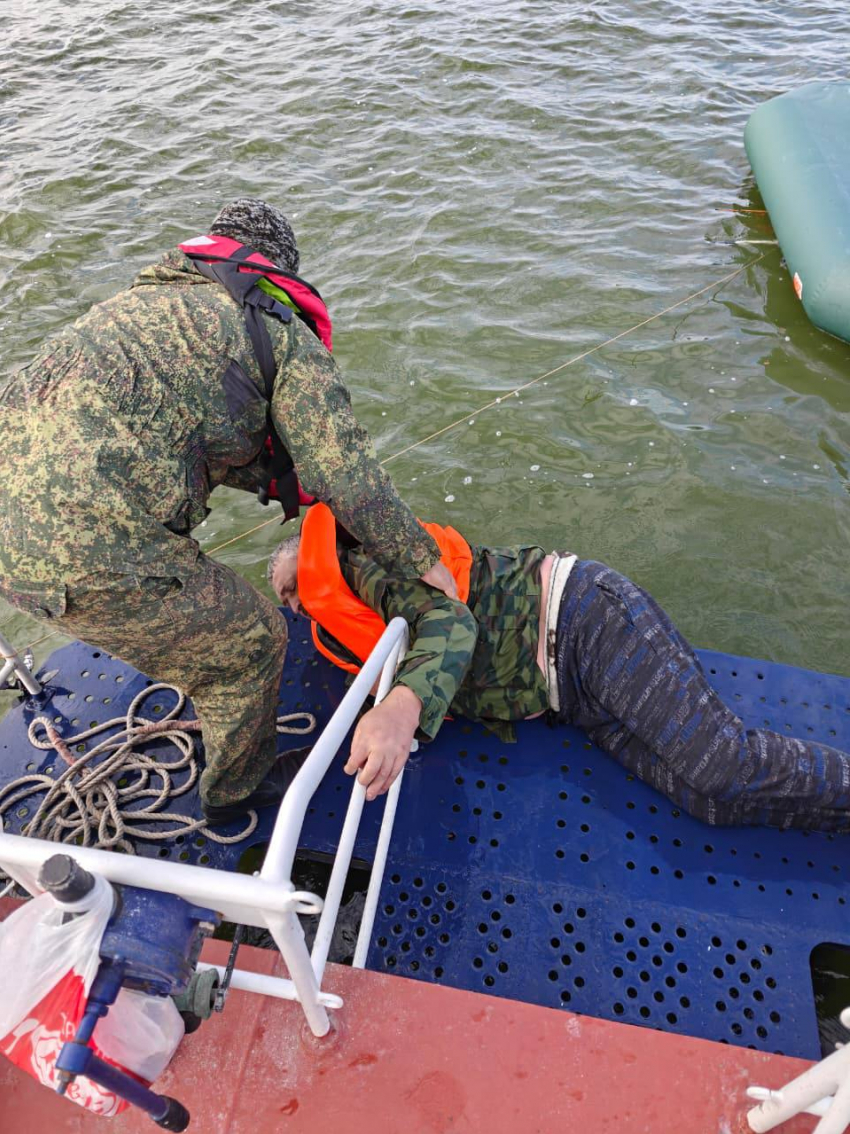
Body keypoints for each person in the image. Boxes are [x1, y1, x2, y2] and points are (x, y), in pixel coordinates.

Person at [0, 199, 457, 825]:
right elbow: (341, 471)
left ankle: (193, 672)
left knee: (181, 615)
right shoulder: (277, 329)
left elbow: (179, 423)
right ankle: (234, 795)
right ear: (277, 271)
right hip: (92, 546)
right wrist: (421, 558)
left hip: (12, 546)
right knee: (252, 642)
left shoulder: (135, 307)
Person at [268, 503, 850, 831]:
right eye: (288, 601)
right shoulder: (341, 625)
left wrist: (400, 708)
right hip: (568, 697)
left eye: (293, 589)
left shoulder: (366, 568)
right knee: (707, 802)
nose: (295, 607)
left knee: (721, 762)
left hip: (585, 623)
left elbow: (452, 624)